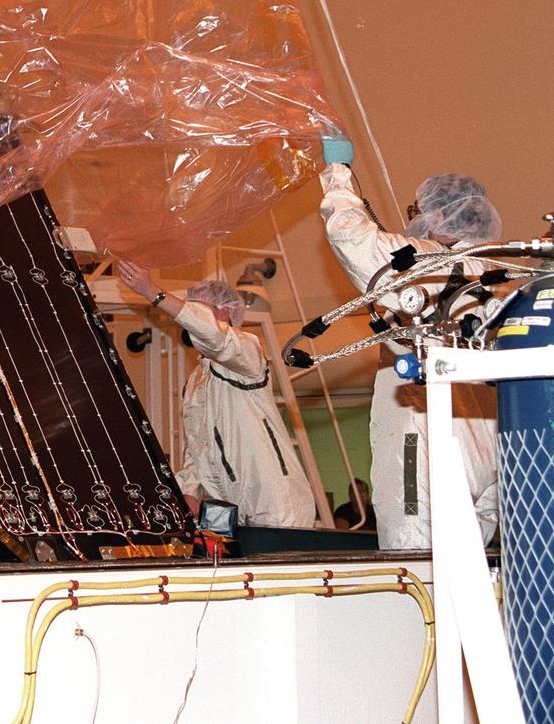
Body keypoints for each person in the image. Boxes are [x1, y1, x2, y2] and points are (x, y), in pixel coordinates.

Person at [319, 142, 499, 549]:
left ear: (438, 216)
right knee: (470, 574)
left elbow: (353, 237)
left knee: (416, 572)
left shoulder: (432, 264)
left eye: (416, 211)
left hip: (428, 449)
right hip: (487, 452)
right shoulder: (495, 275)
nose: (412, 222)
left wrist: (337, 171)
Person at [118, 261, 317, 527]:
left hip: (277, 505)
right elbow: (197, 442)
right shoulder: (198, 380)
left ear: (223, 314)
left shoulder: (247, 351)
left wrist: (153, 292)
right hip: (230, 510)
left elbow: (216, 338)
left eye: (197, 311)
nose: (188, 319)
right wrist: (188, 488)